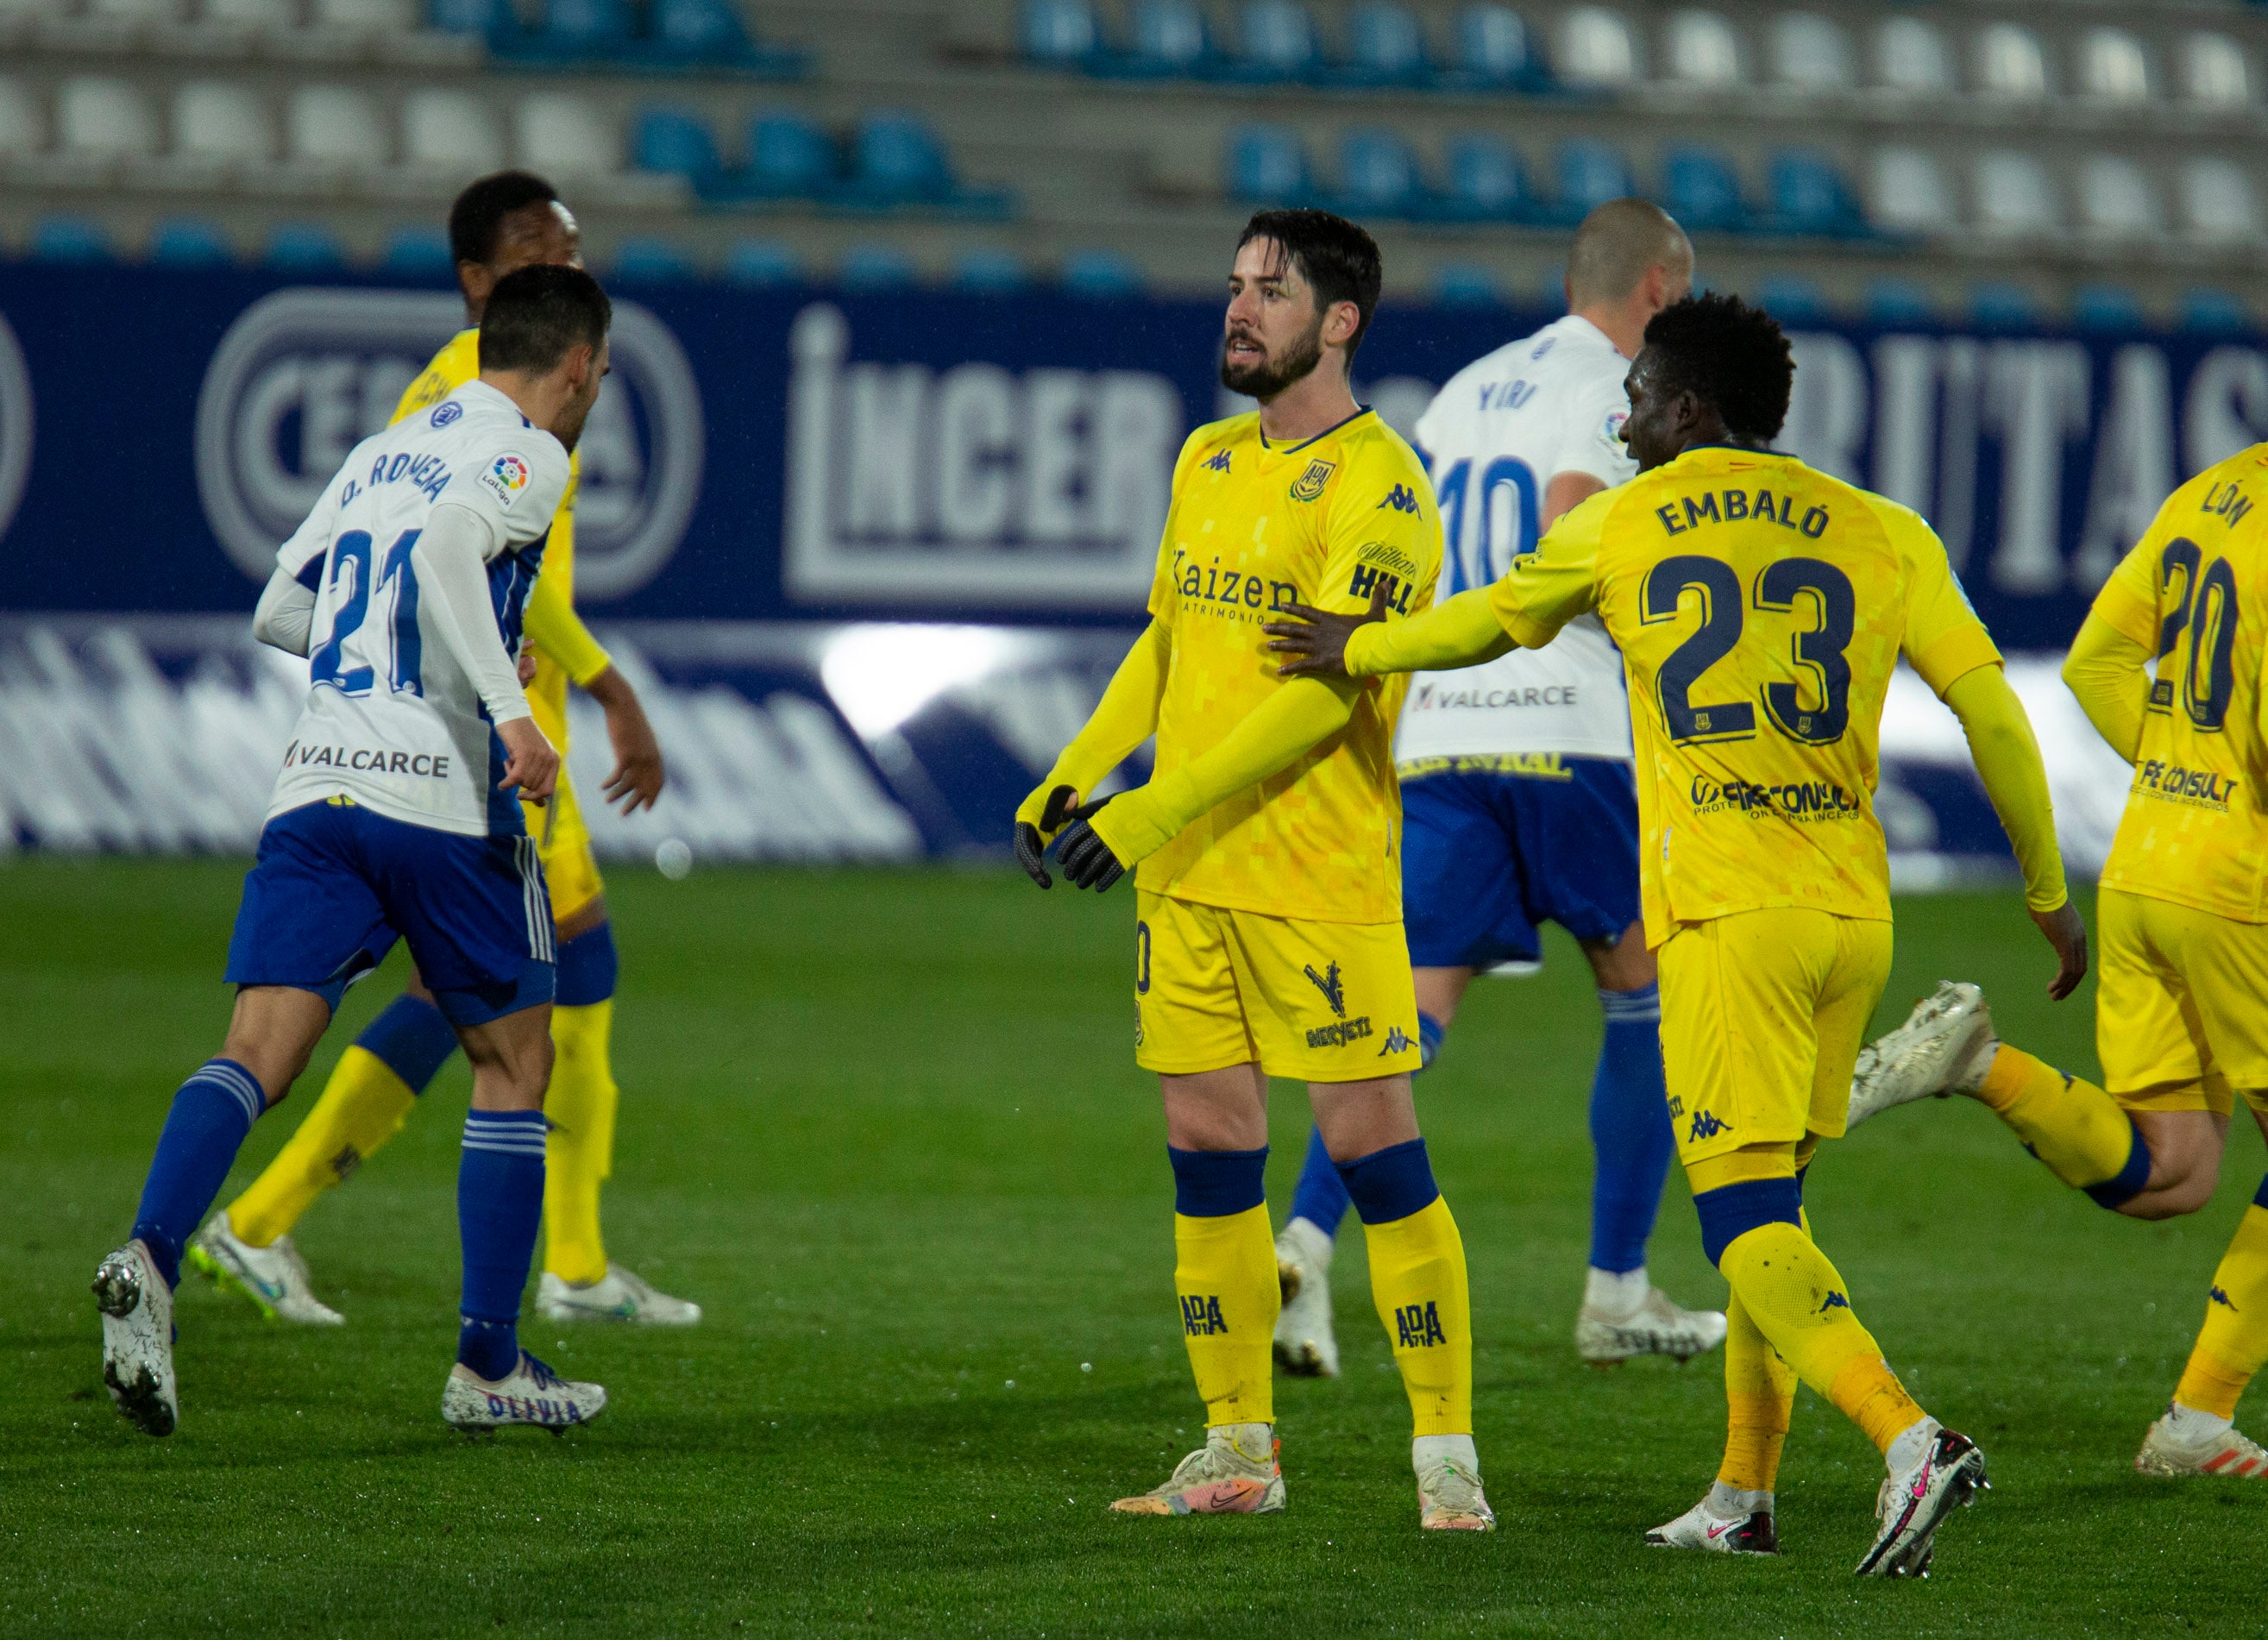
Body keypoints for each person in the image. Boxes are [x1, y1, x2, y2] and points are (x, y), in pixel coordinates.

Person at [1266, 292, 2088, 1574]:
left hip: (1725, 916)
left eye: (1642, 393)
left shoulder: (1620, 520)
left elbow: (1478, 623)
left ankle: (1908, 1437)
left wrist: (1354, 645)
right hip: (1850, 916)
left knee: (1741, 1221)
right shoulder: (1885, 532)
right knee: (1782, 1213)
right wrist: (2044, 886)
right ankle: (1739, 1496)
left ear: (1691, 408)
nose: (1624, 411)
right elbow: (1990, 710)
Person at [1012, 209, 1492, 1530]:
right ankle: (1236, 1447)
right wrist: (1074, 771)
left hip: (1317, 877)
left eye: (1269, 292)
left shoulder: (1381, 487)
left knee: (1373, 1150)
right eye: (1234, 287)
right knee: (1207, 1149)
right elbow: (1164, 647)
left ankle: (1444, 1450)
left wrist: (1143, 805)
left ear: (1339, 321)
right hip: (1188, 881)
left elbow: (1323, 699)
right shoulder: (1206, 457)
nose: (1239, 310)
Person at [95, 265, 616, 1436]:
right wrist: (512, 712)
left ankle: (151, 1256)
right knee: (514, 1060)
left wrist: (400, 666)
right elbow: (442, 563)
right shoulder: (531, 449)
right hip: (437, 801)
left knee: (254, 1052)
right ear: (576, 365)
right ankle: (488, 1366)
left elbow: (282, 609)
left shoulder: (383, 449)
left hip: (315, 787)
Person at [188, 172, 697, 1330]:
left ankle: (570, 1261)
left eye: (570, 246)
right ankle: (261, 1222)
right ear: (479, 282)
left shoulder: (517, 390)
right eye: (536, 252)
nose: (563, 267)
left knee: (573, 977)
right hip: (470, 749)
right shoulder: (467, 398)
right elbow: (449, 569)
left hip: (517, 729)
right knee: (475, 992)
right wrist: (607, 685)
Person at [1272, 198, 1725, 1379]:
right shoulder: (1614, 385)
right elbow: (1574, 520)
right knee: (1645, 994)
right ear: (1661, 291)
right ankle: (1617, 1292)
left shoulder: (1468, 388)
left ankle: (1305, 1242)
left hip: (1445, 730)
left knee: (1413, 1006)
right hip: (1572, 729)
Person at [1846, 438, 2268, 1480]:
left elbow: (2093, 662)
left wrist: (2185, 773)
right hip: (2236, 882)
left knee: (2170, 1169)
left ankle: (1979, 1062)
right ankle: (2196, 1422)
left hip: (2146, 860)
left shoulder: (2215, 491)